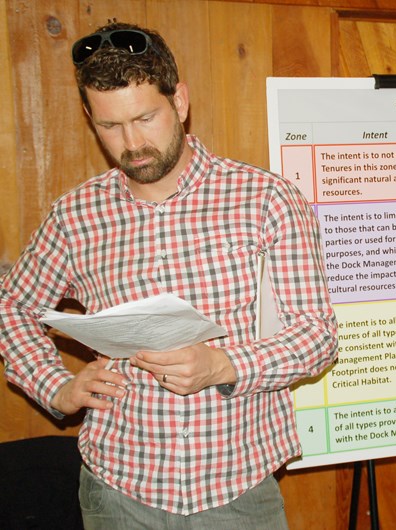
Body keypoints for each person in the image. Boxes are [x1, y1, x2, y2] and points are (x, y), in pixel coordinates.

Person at [0, 21, 337, 528]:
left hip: (238, 491)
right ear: (90, 117)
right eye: (110, 126)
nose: (132, 143)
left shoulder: (266, 199)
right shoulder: (75, 216)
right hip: (116, 491)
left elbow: (317, 337)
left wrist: (222, 365)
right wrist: (54, 387)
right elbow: (13, 307)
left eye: (145, 117)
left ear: (179, 102)